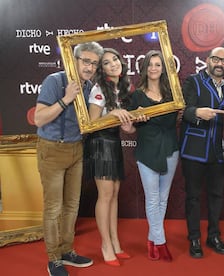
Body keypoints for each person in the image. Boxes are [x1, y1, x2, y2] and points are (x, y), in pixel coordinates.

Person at [34, 42, 104, 276]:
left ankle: (66, 251)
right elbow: (39, 119)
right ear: (73, 60)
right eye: (86, 61)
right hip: (52, 150)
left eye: (94, 63)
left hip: (76, 150)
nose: (90, 67)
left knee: (72, 206)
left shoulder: (89, 87)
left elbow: (91, 122)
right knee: (54, 208)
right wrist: (66, 99)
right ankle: (54, 258)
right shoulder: (54, 81)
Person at [83, 48, 138, 267]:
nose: (113, 64)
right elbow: (91, 124)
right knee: (105, 196)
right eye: (106, 62)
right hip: (99, 144)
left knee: (114, 194)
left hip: (114, 142)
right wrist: (112, 113)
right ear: (102, 69)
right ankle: (105, 245)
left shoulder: (122, 88)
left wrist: (129, 126)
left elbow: (129, 129)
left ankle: (115, 243)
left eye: (115, 59)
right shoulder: (99, 88)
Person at [126, 50, 179, 262]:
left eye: (158, 64)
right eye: (150, 64)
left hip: (170, 148)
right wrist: (132, 121)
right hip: (147, 150)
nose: (154, 68)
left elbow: (175, 118)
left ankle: (151, 239)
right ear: (145, 68)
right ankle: (160, 242)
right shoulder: (137, 95)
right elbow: (129, 128)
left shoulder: (172, 93)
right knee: (153, 198)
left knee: (163, 198)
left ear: (163, 69)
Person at [180, 47, 224, 258]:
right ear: (208, 60)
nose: (220, 63)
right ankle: (194, 238)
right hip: (194, 149)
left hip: (217, 151)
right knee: (193, 197)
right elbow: (182, 109)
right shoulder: (193, 81)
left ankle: (214, 236)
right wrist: (197, 112)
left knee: (217, 195)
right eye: (216, 59)